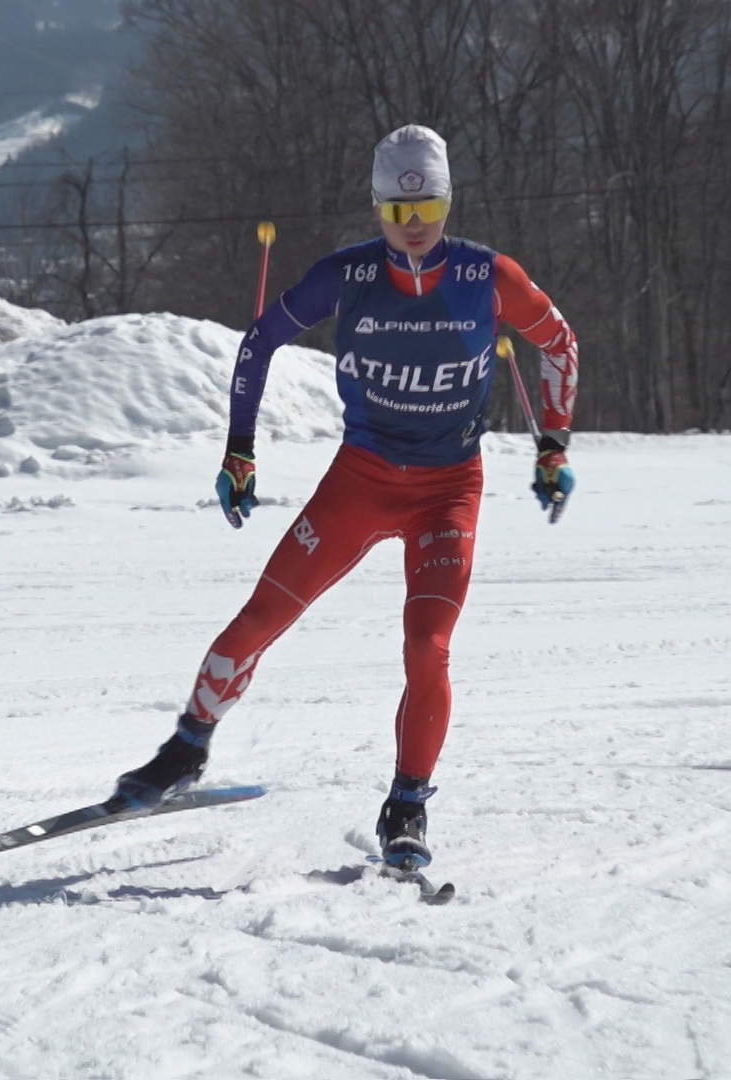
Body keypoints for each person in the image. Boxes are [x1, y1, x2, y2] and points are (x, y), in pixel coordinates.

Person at [113, 125, 580, 872]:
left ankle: (407, 806)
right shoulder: (350, 278)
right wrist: (239, 450)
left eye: (427, 207)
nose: (416, 227)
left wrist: (552, 443)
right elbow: (259, 342)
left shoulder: (488, 278)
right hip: (360, 481)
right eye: (398, 215)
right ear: (375, 211)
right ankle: (185, 748)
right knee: (258, 620)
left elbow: (558, 342)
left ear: (448, 201)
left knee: (426, 650)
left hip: (447, 492)